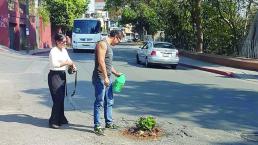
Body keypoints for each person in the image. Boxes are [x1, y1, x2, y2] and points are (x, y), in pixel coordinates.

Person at [92, 30, 124, 135]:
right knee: (99, 102)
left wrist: (115, 73)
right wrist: (105, 77)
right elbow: (101, 61)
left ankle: (108, 122)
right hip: (100, 77)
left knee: (109, 101)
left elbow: (108, 63)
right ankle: (97, 125)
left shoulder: (108, 46)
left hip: (107, 77)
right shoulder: (102, 44)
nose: (119, 42)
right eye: (119, 40)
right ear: (115, 37)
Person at [48, 33, 76, 129]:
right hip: (54, 76)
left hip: (62, 75)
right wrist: (66, 62)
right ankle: (53, 121)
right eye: (63, 42)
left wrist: (72, 65)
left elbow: (69, 60)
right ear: (57, 41)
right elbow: (55, 64)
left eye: (65, 42)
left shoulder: (64, 50)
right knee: (57, 98)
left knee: (61, 98)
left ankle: (61, 117)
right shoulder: (53, 51)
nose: (65, 43)